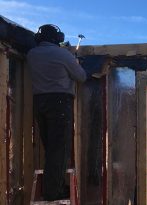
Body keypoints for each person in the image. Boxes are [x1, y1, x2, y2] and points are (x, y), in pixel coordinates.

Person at [27, 24, 87, 201]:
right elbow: (81, 77)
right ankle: (53, 192)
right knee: (59, 149)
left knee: (51, 148)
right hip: (59, 102)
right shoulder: (63, 54)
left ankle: (54, 185)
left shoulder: (32, 54)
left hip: (40, 102)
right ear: (57, 38)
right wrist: (73, 62)